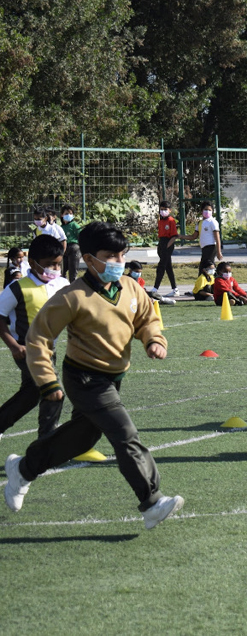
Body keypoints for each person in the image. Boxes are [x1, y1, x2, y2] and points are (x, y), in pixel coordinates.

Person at [5, 222, 184, 528]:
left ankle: (24, 468)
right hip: (84, 378)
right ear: (89, 259)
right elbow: (38, 337)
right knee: (124, 433)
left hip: (114, 378)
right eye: (109, 256)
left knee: (83, 437)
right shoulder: (72, 296)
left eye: (121, 254)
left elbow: (146, 318)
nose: (118, 261)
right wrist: (47, 381)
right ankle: (151, 501)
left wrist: (154, 339)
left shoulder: (129, 287)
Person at [0, 235, 69, 442]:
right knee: (53, 391)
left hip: (49, 350)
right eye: (49, 265)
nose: (54, 269)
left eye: (58, 264)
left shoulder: (63, 284)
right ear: (32, 262)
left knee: (31, 394)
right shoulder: (17, 288)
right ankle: (46, 441)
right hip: (26, 349)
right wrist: (13, 346)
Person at [182, 202, 222, 271]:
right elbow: (194, 236)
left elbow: (217, 238)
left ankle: (216, 276)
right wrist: (181, 236)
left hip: (211, 247)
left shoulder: (213, 222)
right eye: (205, 209)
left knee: (208, 265)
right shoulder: (200, 223)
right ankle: (211, 278)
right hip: (204, 248)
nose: (207, 211)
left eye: (210, 210)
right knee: (203, 268)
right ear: (202, 211)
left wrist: (219, 252)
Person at [153, 200, 181, 297]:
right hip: (162, 243)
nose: (163, 211)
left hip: (168, 243)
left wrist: (167, 246)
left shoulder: (171, 221)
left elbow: (174, 236)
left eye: (165, 209)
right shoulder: (160, 221)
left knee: (161, 266)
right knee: (168, 267)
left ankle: (155, 288)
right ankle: (175, 289)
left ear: (170, 210)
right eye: (161, 209)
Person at [60, 204, 82, 282]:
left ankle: (73, 287)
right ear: (62, 215)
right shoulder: (61, 227)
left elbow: (81, 236)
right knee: (63, 271)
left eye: (70, 213)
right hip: (64, 249)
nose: (69, 215)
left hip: (74, 248)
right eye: (66, 213)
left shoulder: (74, 225)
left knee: (73, 272)